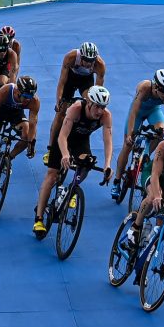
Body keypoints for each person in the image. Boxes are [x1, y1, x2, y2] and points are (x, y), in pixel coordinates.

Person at [33, 84, 113, 237]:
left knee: (87, 162)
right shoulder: (76, 109)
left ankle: (72, 189)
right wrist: (64, 154)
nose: (99, 111)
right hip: (63, 138)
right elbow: (62, 136)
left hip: (80, 141)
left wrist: (108, 164)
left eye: (103, 107)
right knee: (52, 176)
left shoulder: (106, 116)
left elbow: (108, 141)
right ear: (88, 103)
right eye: (97, 106)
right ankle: (39, 218)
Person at [110, 69, 164, 201]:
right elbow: (134, 112)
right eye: (163, 90)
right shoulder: (144, 88)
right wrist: (130, 134)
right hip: (138, 113)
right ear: (156, 86)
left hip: (154, 112)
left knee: (160, 132)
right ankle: (117, 181)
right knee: (127, 145)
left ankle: (145, 155)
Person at [45, 42, 107, 154]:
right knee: (60, 113)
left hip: (86, 81)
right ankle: (50, 148)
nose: (88, 63)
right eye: (86, 60)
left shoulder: (100, 65)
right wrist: (59, 99)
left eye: (91, 61)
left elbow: (97, 92)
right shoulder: (71, 57)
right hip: (70, 78)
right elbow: (62, 82)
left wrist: (93, 107)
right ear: (81, 56)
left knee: (89, 104)